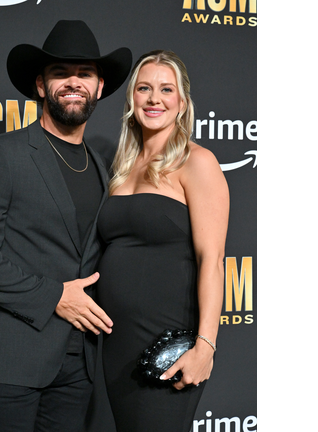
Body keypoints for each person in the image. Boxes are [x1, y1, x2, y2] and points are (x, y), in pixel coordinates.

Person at [0, 20, 132, 432]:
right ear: (39, 85)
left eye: (85, 73)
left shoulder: (102, 168)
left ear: (100, 87)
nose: (73, 82)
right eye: (60, 73)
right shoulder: (1, 154)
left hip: (78, 360)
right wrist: (54, 297)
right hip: (11, 356)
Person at [96, 50, 230, 432]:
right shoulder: (121, 168)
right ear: (132, 99)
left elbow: (213, 259)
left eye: (166, 89)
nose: (154, 98)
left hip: (168, 339)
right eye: (144, 88)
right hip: (117, 340)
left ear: (182, 102)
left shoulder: (197, 161)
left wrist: (205, 346)